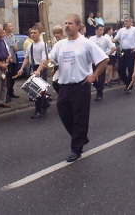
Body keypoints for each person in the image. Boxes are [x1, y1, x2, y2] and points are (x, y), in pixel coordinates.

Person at [50, 14, 108, 162]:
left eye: (70, 23)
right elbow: (51, 60)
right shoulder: (60, 44)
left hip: (81, 86)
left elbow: (104, 59)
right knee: (64, 114)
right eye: (66, 23)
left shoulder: (86, 43)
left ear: (78, 26)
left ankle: (76, 149)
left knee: (79, 118)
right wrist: (45, 64)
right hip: (64, 85)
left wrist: (94, 75)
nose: (67, 26)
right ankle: (81, 137)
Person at [17, 27, 50, 119]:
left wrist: (38, 71)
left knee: (37, 91)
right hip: (34, 67)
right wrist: (22, 68)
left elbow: (44, 60)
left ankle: (38, 111)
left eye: (35, 33)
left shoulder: (43, 45)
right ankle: (45, 103)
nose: (33, 34)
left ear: (39, 34)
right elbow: (27, 58)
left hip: (41, 68)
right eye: (31, 33)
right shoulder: (30, 46)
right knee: (40, 91)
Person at [114, 17, 135, 92]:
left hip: (131, 52)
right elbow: (115, 38)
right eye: (125, 21)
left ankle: (129, 85)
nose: (125, 22)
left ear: (131, 22)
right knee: (120, 69)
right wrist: (110, 40)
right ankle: (127, 83)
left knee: (130, 69)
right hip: (122, 51)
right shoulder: (121, 30)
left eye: (127, 21)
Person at [89, 25, 115, 101]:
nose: (101, 31)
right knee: (92, 77)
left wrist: (105, 54)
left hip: (102, 61)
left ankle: (99, 94)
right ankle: (98, 88)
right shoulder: (91, 39)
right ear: (96, 31)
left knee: (101, 78)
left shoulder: (105, 39)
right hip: (93, 61)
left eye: (102, 30)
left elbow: (113, 48)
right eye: (100, 30)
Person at [3, 22, 20, 102]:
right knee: (7, 78)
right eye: (10, 26)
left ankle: (11, 92)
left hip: (14, 59)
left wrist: (14, 44)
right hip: (6, 60)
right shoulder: (3, 37)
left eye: (12, 26)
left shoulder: (13, 36)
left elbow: (16, 49)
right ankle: (7, 95)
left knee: (13, 77)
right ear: (5, 28)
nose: (12, 27)